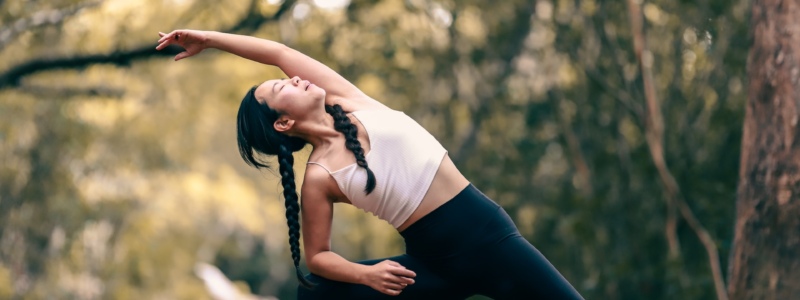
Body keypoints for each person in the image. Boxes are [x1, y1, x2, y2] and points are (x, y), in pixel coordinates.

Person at [156, 29, 584, 300]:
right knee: (319, 295)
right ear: (284, 122)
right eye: (280, 88)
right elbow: (318, 257)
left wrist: (210, 40)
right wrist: (367, 275)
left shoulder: (351, 101)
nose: (291, 77)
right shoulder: (320, 176)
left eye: (283, 77)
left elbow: (276, 51)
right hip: (431, 265)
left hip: (489, 239)